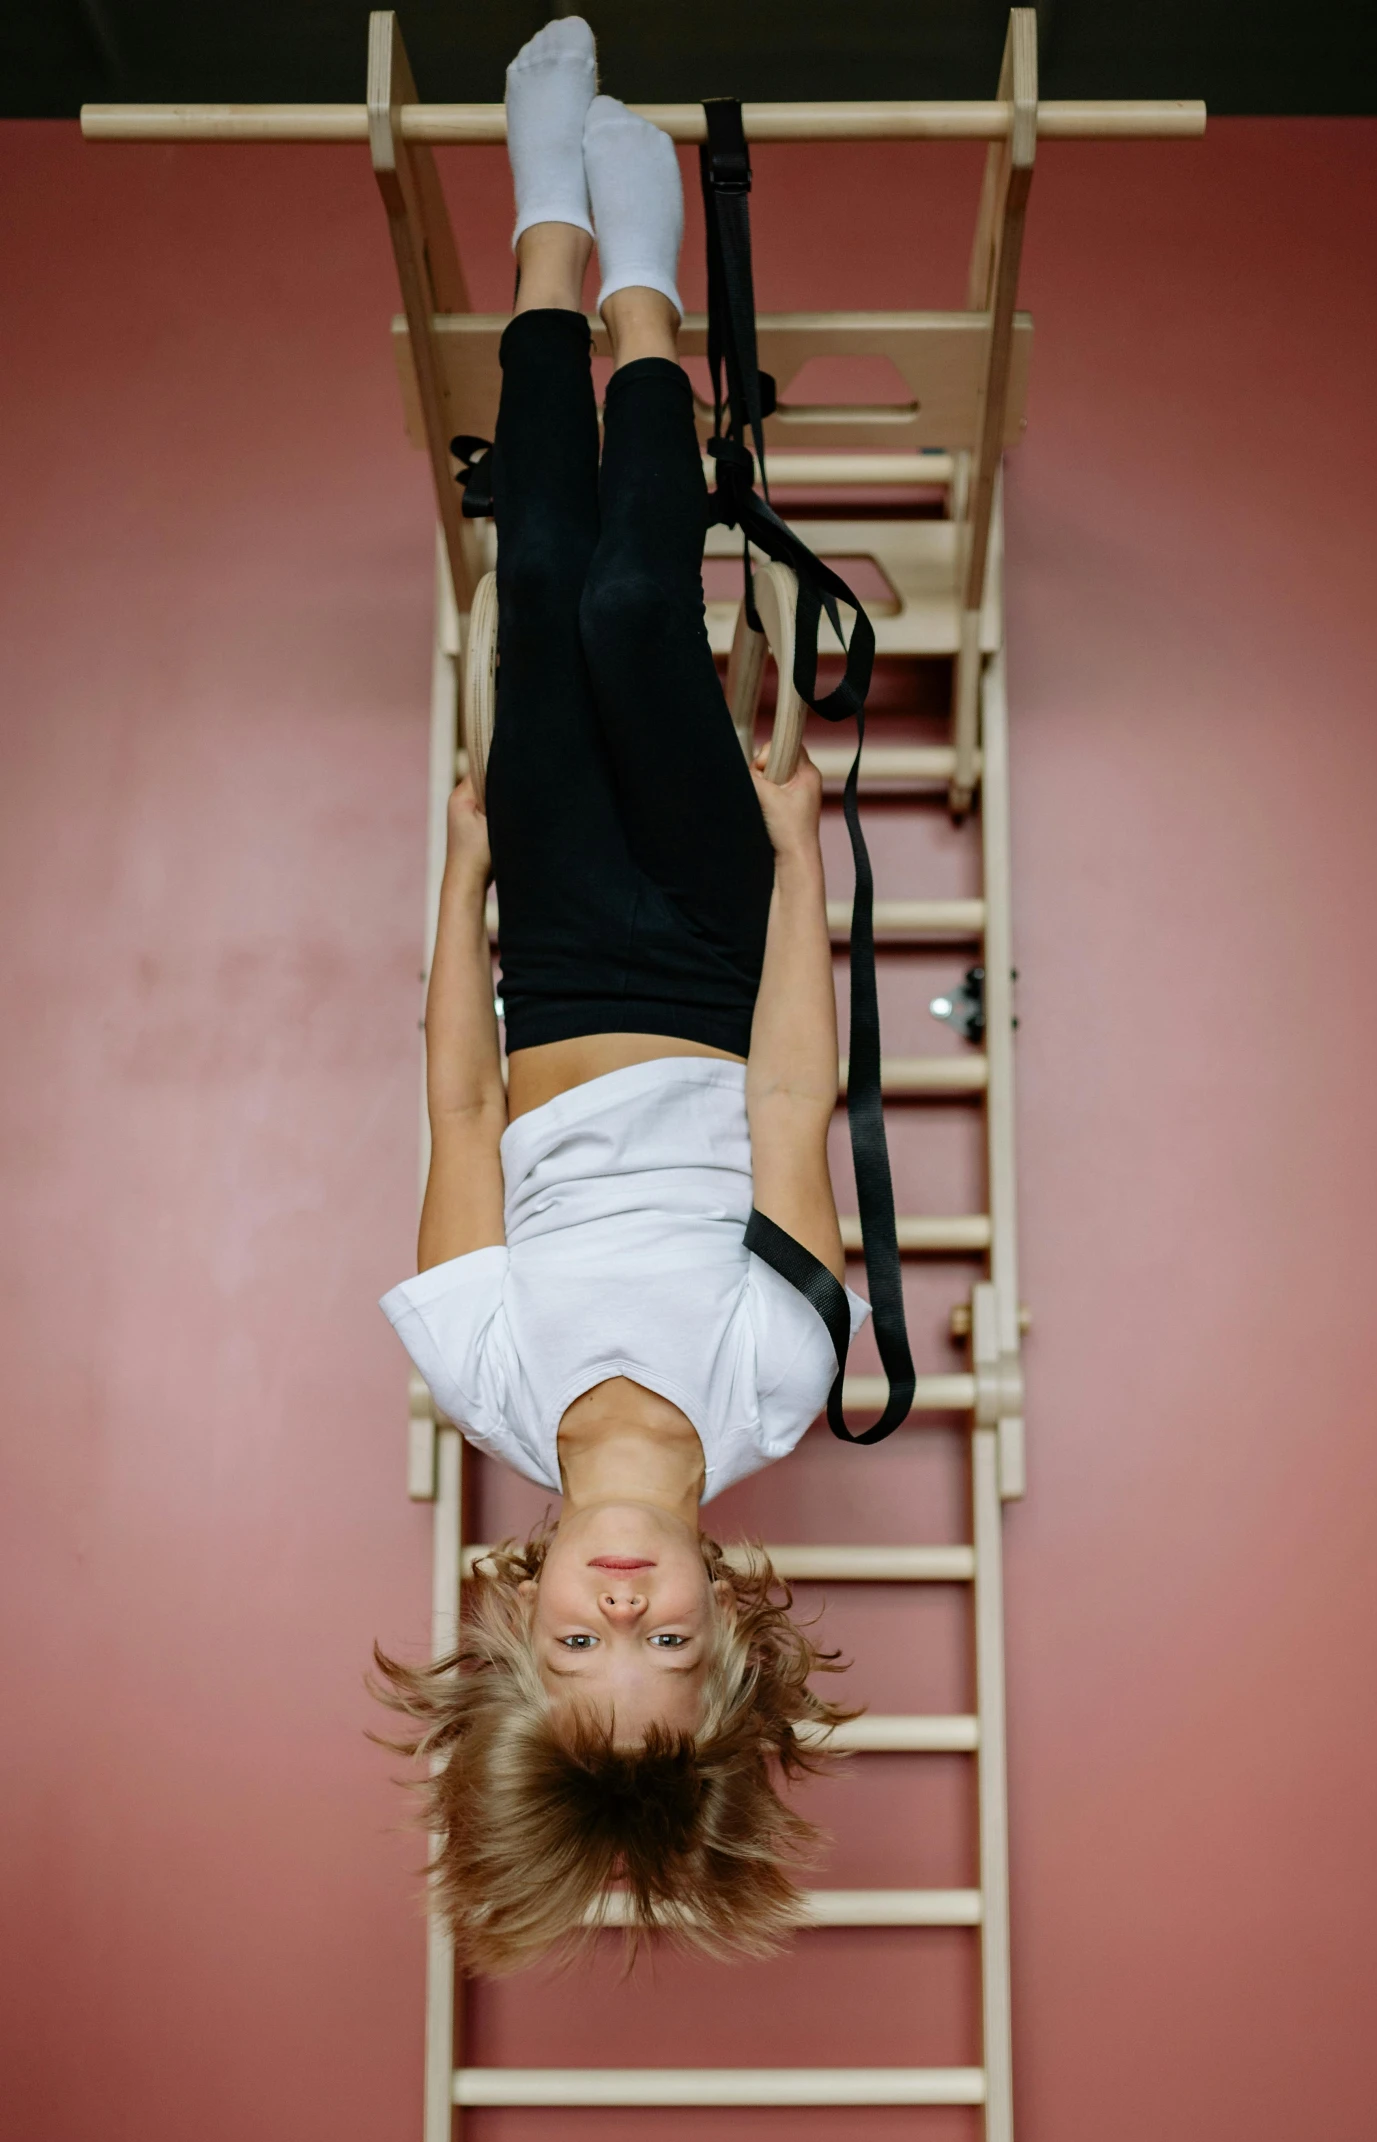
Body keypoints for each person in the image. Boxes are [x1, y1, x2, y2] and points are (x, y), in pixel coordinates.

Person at [373, 19, 867, 1969]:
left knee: (543, 554)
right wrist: (799, 855)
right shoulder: (775, 1377)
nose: (629, 1597)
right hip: (715, 954)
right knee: (628, 606)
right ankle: (635, 289)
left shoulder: (478, 1372)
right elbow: (790, 1112)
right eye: (667, 1640)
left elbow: (467, 1110)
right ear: (738, 1628)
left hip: (563, 951)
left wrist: (464, 873)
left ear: (517, 1615)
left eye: (585, 1637)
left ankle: (560, 235)